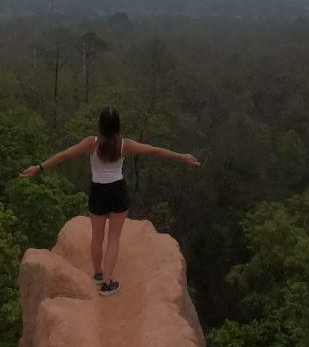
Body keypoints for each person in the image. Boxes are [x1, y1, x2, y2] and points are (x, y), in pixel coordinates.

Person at [20, 105, 199, 296]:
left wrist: (39, 167)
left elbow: (64, 155)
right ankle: (107, 284)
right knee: (113, 239)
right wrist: (182, 156)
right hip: (117, 191)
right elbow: (154, 151)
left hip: (98, 191)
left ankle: (98, 273)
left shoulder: (91, 143)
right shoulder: (124, 145)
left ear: (100, 125)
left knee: (97, 237)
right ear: (117, 126)